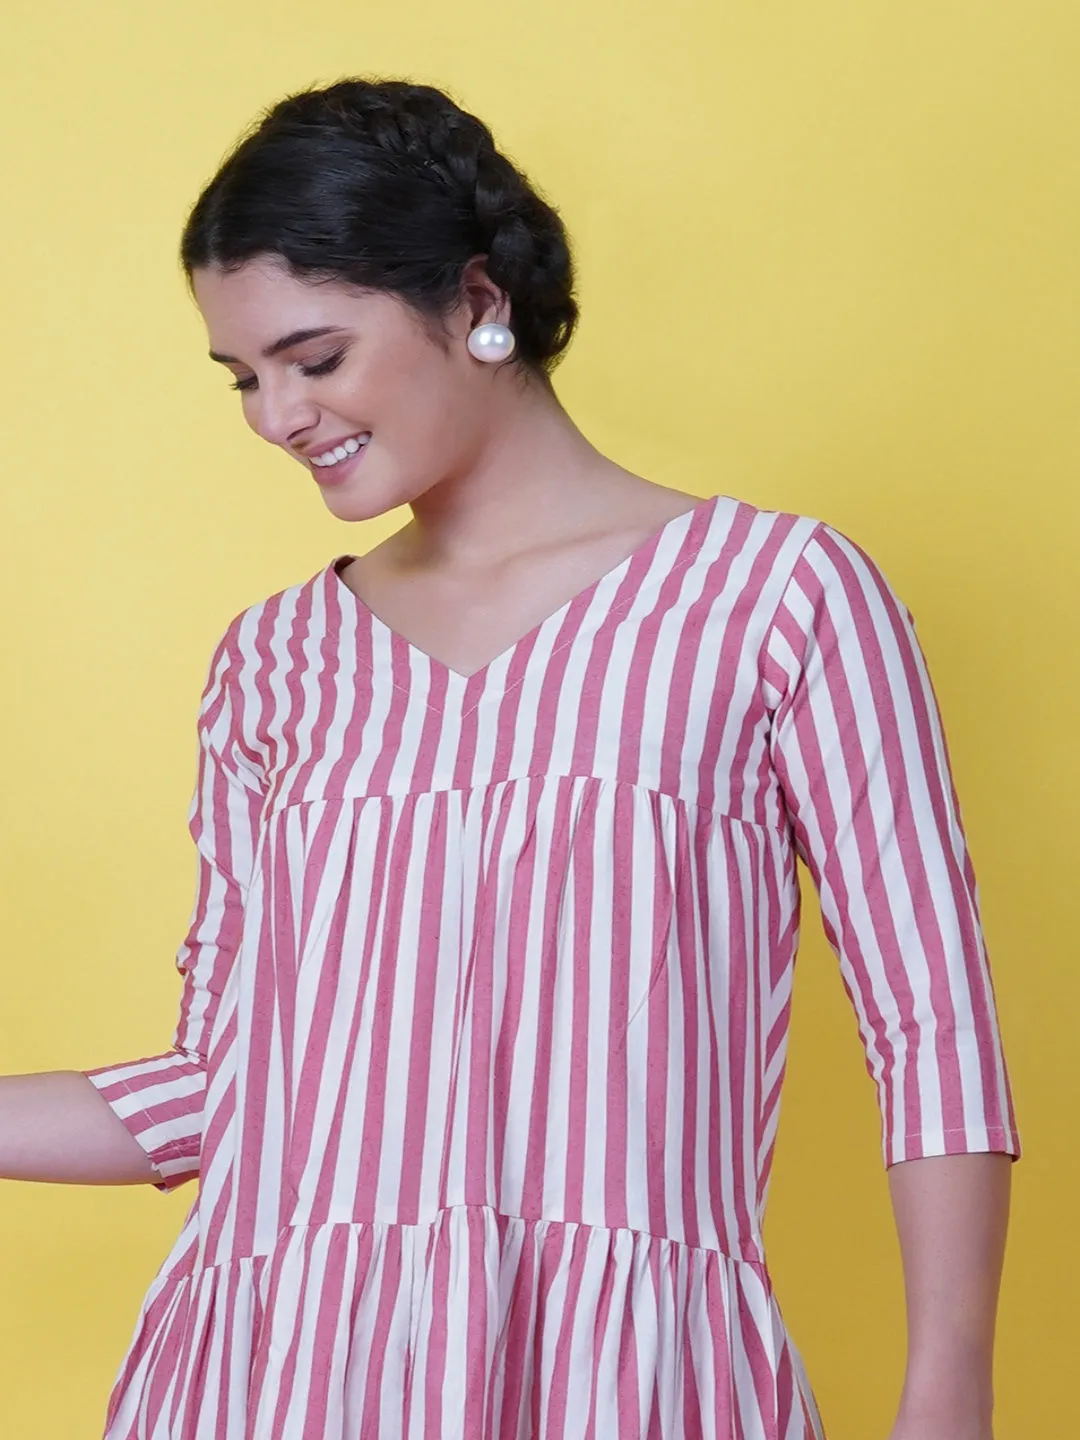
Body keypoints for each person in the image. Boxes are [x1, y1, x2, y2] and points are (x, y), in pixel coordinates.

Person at [1, 78, 1020, 1440]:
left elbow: (931, 1025)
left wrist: (946, 1385)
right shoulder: (276, 664)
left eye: (315, 357)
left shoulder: (779, 599)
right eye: (244, 379)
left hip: (628, 1383)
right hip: (281, 1380)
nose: (276, 417)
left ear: (477, 300)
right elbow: (222, 1085)